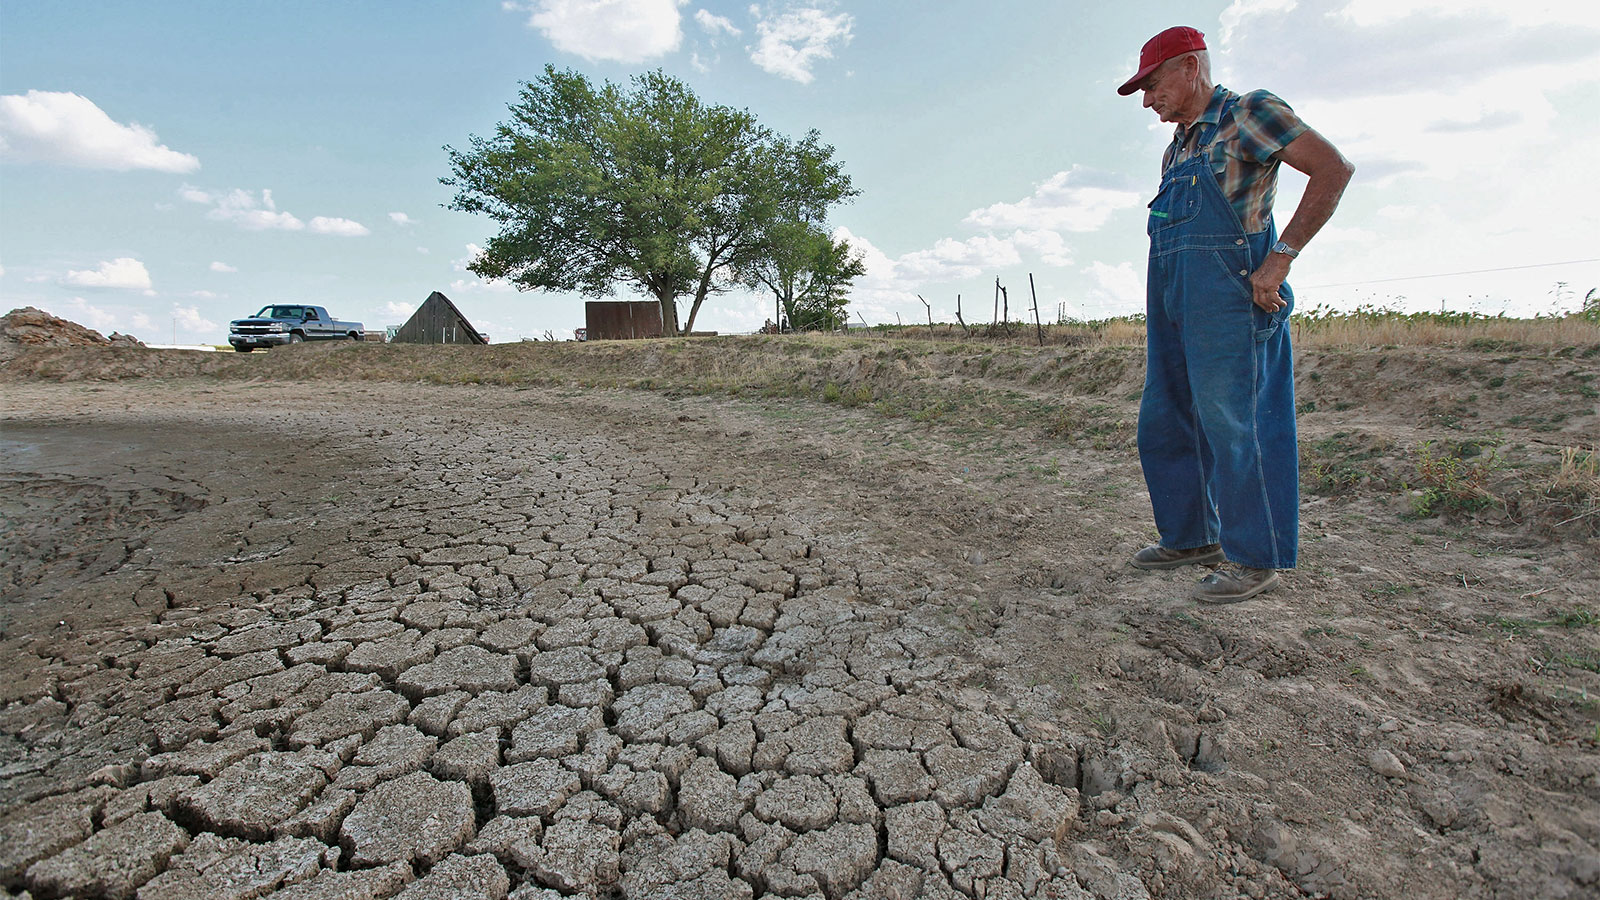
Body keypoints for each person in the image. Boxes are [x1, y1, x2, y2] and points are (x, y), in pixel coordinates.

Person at [1118, 26, 1354, 602]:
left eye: (1151, 86)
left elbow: (1333, 169)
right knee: (1166, 414)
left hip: (1231, 293)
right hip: (1174, 292)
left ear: (1189, 67)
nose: (1148, 101)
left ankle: (1256, 555)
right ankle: (1191, 535)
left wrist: (1279, 261)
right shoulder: (1178, 145)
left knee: (1237, 419)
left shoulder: (1249, 112)